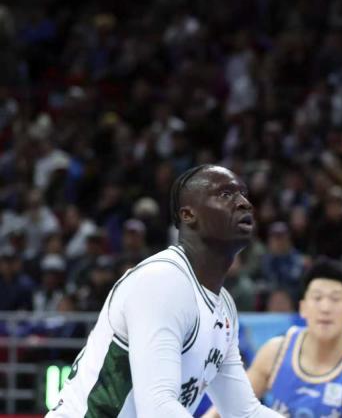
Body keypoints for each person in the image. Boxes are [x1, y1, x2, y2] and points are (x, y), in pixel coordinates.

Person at [47, 165, 283, 417]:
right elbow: (157, 408)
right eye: (226, 194)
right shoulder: (162, 281)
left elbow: (245, 412)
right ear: (188, 215)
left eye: (244, 194)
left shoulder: (224, 306)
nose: (245, 203)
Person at [203, 259, 342, 418]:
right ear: (302, 308)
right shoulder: (276, 351)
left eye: (335, 299)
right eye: (317, 298)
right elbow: (230, 406)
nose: (325, 308)